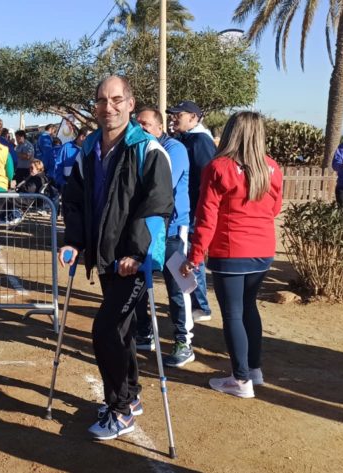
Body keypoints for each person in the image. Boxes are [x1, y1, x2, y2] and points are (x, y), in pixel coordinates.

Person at [59, 76, 173, 441]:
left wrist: (138, 254)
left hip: (132, 261)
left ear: (130, 104)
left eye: (116, 99)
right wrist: (74, 241)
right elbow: (74, 199)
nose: (108, 107)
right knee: (120, 330)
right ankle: (132, 395)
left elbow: (157, 205)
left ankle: (120, 409)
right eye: (101, 100)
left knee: (105, 329)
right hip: (106, 258)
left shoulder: (147, 149)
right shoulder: (89, 148)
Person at [180, 111, 283, 399]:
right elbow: (275, 209)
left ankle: (240, 379)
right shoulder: (271, 167)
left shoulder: (219, 167)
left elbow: (206, 217)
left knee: (234, 313)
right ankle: (253, 370)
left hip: (231, 250)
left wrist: (195, 256)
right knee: (249, 308)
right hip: (263, 249)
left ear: (230, 133)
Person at [133, 106, 195, 368]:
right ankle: (143, 332)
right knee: (138, 281)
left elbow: (161, 185)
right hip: (145, 228)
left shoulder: (174, 149)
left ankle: (183, 342)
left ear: (159, 127)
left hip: (172, 229)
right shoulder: (137, 149)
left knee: (177, 286)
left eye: (146, 124)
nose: (141, 128)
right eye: (137, 123)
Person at [168, 100, 215, 323]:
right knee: (188, 254)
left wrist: (198, 210)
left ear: (193, 118)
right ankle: (196, 302)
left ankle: (201, 306)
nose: (174, 118)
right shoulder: (186, 139)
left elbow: (206, 179)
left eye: (179, 114)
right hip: (188, 209)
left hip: (194, 210)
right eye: (174, 114)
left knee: (192, 256)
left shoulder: (201, 141)